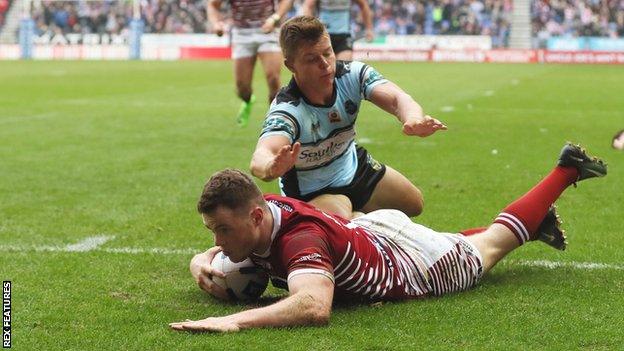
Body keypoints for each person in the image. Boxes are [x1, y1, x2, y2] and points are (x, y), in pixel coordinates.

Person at [170, 142, 607, 333]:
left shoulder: (300, 241)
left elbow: (313, 306)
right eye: (214, 232)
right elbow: (223, 246)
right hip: (367, 230)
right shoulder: (262, 210)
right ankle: (537, 222)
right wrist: (198, 259)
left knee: (489, 246)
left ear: (255, 216)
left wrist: (232, 320)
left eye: (223, 231)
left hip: (411, 265)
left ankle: (565, 170)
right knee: (458, 238)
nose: (219, 242)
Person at [250, 16, 446, 219]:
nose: (325, 64)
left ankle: (357, 216)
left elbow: (397, 98)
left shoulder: (352, 74)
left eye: (328, 53)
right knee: (348, 224)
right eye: (311, 59)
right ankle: (349, 220)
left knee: (414, 203)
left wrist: (413, 118)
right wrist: (270, 167)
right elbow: (261, 154)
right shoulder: (288, 109)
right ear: (291, 65)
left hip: (352, 166)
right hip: (311, 192)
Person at [207, 0, 294, 127]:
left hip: (268, 31)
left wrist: (275, 18)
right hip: (242, 35)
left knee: (273, 78)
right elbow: (213, 4)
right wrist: (216, 23)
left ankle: (274, 118)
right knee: (242, 88)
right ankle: (247, 100)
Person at [301, 0, 374, 60]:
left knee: (343, 69)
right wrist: (309, 28)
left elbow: (364, 5)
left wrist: (369, 29)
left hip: (344, 35)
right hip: (323, 35)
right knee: (324, 71)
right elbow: (308, 6)